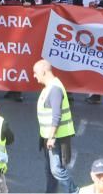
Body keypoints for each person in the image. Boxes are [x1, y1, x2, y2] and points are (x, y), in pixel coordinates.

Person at [33, 59, 76, 193]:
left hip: (57, 137)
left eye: (35, 72)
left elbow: (56, 115)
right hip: (49, 136)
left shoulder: (55, 89)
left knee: (56, 170)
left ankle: (75, 191)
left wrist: (51, 137)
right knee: (50, 171)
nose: (34, 76)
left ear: (44, 72)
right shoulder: (49, 87)